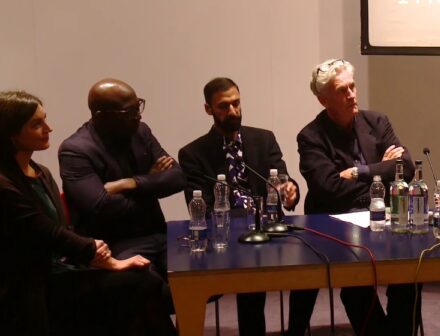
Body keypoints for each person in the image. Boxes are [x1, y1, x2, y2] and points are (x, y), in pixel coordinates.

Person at [0, 90, 175, 336]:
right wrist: (104, 258)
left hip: (65, 266)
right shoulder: (4, 183)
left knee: (143, 287)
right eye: (36, 124)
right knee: (143, 283)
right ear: (12, 133)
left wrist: (131, 185)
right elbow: (46, 232)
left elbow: (177, 178)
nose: (48, 128)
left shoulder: (41, 172)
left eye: (45, 119)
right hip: (32, 283)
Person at [292, 58, 418, 336]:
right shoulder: (310, 137)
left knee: (411, 271)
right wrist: (382, 173)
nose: (351, 94)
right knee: (356, 284)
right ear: (323, 100)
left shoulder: (377, 121)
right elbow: (329, 189)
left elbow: (406, 169)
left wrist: (358, 172)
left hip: (383, 219)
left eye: (352, 86)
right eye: (342, 90)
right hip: (337, 225)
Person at [178, 77, 300, 335]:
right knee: (250, 284)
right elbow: (200, 206)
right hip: (228, 237)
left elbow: (282, 178)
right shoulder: (193, 153)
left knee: (310, 270)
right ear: (208, 109)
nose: (232, 111)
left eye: (236, 103)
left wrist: (290, 191)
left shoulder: (264, 139)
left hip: (270, 235)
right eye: (223, 106)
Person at [58, 78, 186, 311]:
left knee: (197, 272)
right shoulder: (76, 150)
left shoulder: (140, 131)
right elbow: (101, 207)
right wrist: (152, 182)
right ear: (101, 115)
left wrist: (131, 183)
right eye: (129, 110)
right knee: (148, 286)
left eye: (139, 105)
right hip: (115, 243)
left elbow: (178, 178)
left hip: (157, 232)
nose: (138, 115)